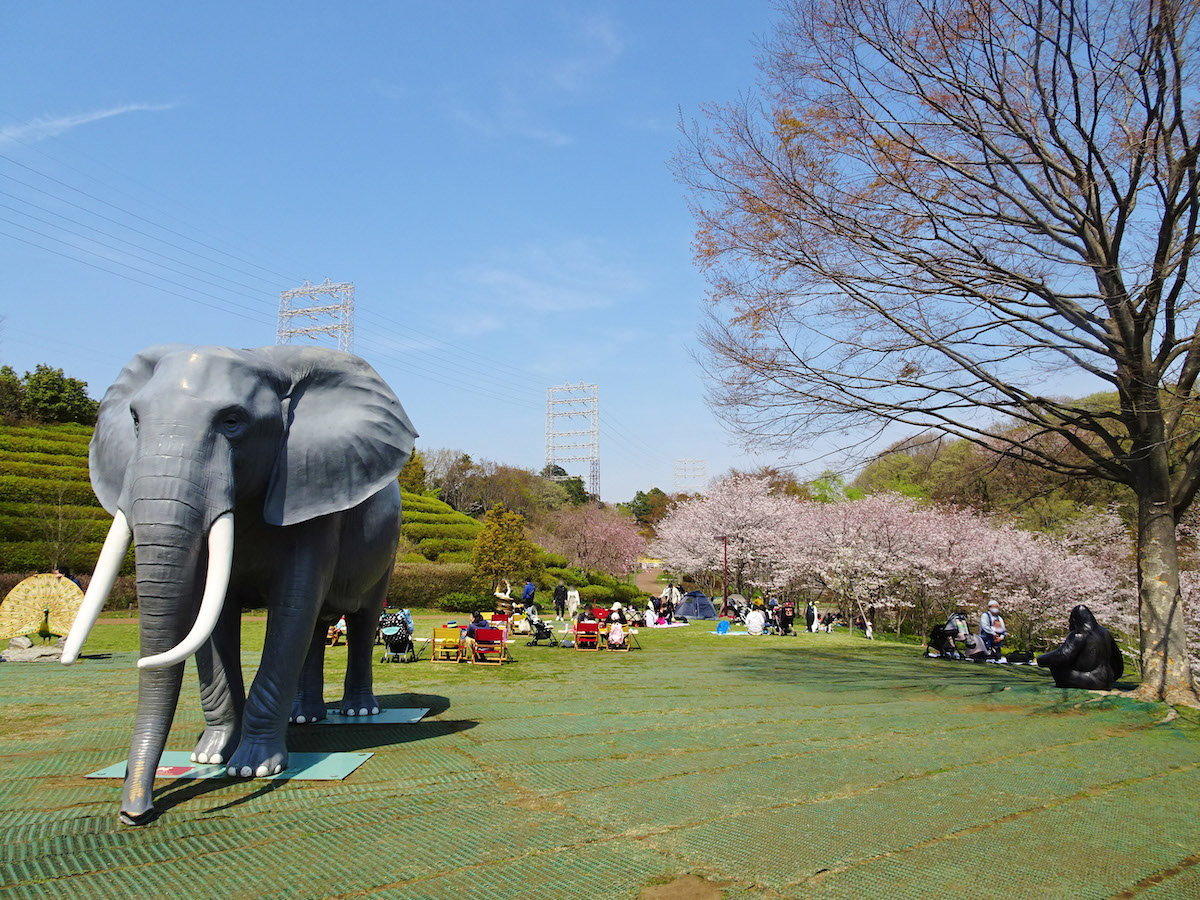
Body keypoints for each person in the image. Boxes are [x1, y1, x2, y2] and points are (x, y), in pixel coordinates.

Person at [1038, 605, 1125, 690]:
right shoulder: (1105, 633)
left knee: (1056, 664)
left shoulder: (1079, 634)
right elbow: (1118, 663)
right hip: (1105, 681)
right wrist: (1111, 677)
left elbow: (1063, 655)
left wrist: (1041, 659)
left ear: (1074, 620)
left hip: (1087, 681)